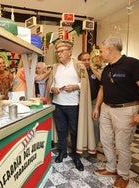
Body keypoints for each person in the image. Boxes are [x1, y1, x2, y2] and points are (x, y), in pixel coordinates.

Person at [92, 36, 139, 188]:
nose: (100, 54)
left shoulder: (133, 64)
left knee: (122, 145)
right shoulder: (106, 68)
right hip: (106, 109)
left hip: (126, 110)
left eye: (102, 51)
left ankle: (123, 175)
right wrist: (97, 107)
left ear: (110, 49)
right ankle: (110, 168)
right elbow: (102, 88)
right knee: (106, 140)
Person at [47, 40, 94, 171]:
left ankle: (76, 155)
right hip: (58, 103)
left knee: (74, 130)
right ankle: (62, 151)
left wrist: (75, 86)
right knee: (61, 129)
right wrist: (52, 89)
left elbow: (85, 83)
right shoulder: (55, 67)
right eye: (57, 52)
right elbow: (50, 84)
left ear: (70, 52)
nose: (59, 54)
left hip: (73, 104)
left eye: (62, 51)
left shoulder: (79, 66)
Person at [78, 52, 101, 148]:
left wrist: (92, 68)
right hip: (81, 102)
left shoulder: (94, 71)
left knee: (95, 124)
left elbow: (101, 79)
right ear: (79, 61)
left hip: (93, 102)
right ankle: (82, 145)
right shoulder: (77, 71)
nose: (87, 62)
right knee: (81, 124)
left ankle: (94, 146)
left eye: (88, 59)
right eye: (84, 60)